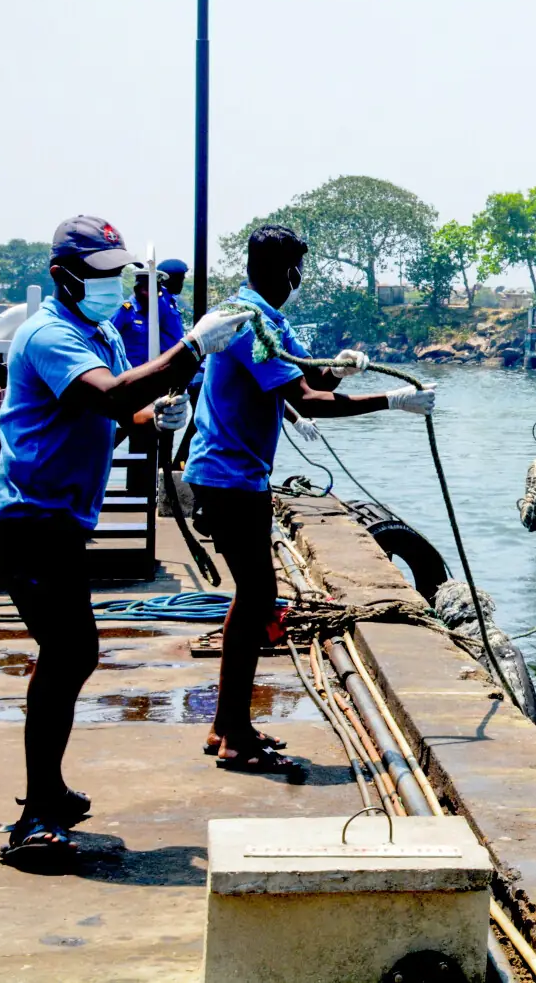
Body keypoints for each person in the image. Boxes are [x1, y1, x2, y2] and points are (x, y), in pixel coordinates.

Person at [0, 215, 252, 865]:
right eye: (99, 272)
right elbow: (111, 393)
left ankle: (47, 789)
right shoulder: (48, 334)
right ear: (63, 274)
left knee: (71, 653)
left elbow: (120, 413)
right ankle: (37, 815)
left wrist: (158, 413)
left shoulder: (98, 332)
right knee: (68, 651)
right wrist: (190, 350)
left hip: (58, 521)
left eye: (117, 271)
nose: (111, 283)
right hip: (26, 521)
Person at [184, 225, 435, 775]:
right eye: (295, 269)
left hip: (239, 475)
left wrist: (344, 365)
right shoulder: (248, 324)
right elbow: (309, 401)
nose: (298, 280)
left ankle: (227, 725)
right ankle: (233, 735)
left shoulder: (269, 319)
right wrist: (391, 402)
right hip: (227, 477)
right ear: (278, 269)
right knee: (256, 598)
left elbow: (312, 374)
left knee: (250, 598)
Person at [113, 259, 187, 368]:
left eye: (156, 291)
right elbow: (108, 340)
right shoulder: (125, 311)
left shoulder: (153, 311)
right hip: (127, 371)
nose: (154, 295)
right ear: (137, 289)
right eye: (148, 290)